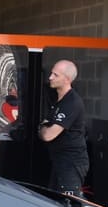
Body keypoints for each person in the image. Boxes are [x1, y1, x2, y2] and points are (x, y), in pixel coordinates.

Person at [38, 59, 89, 196]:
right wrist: (44, 127)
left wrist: (43, 128)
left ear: (67, 79)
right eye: (51, 73)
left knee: (67, 202)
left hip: (71, 163)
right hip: (58, 160)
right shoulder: (57, 101)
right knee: (53, 200)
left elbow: (48, 135)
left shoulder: (72, 102)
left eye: (55, 75)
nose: (50, 77)